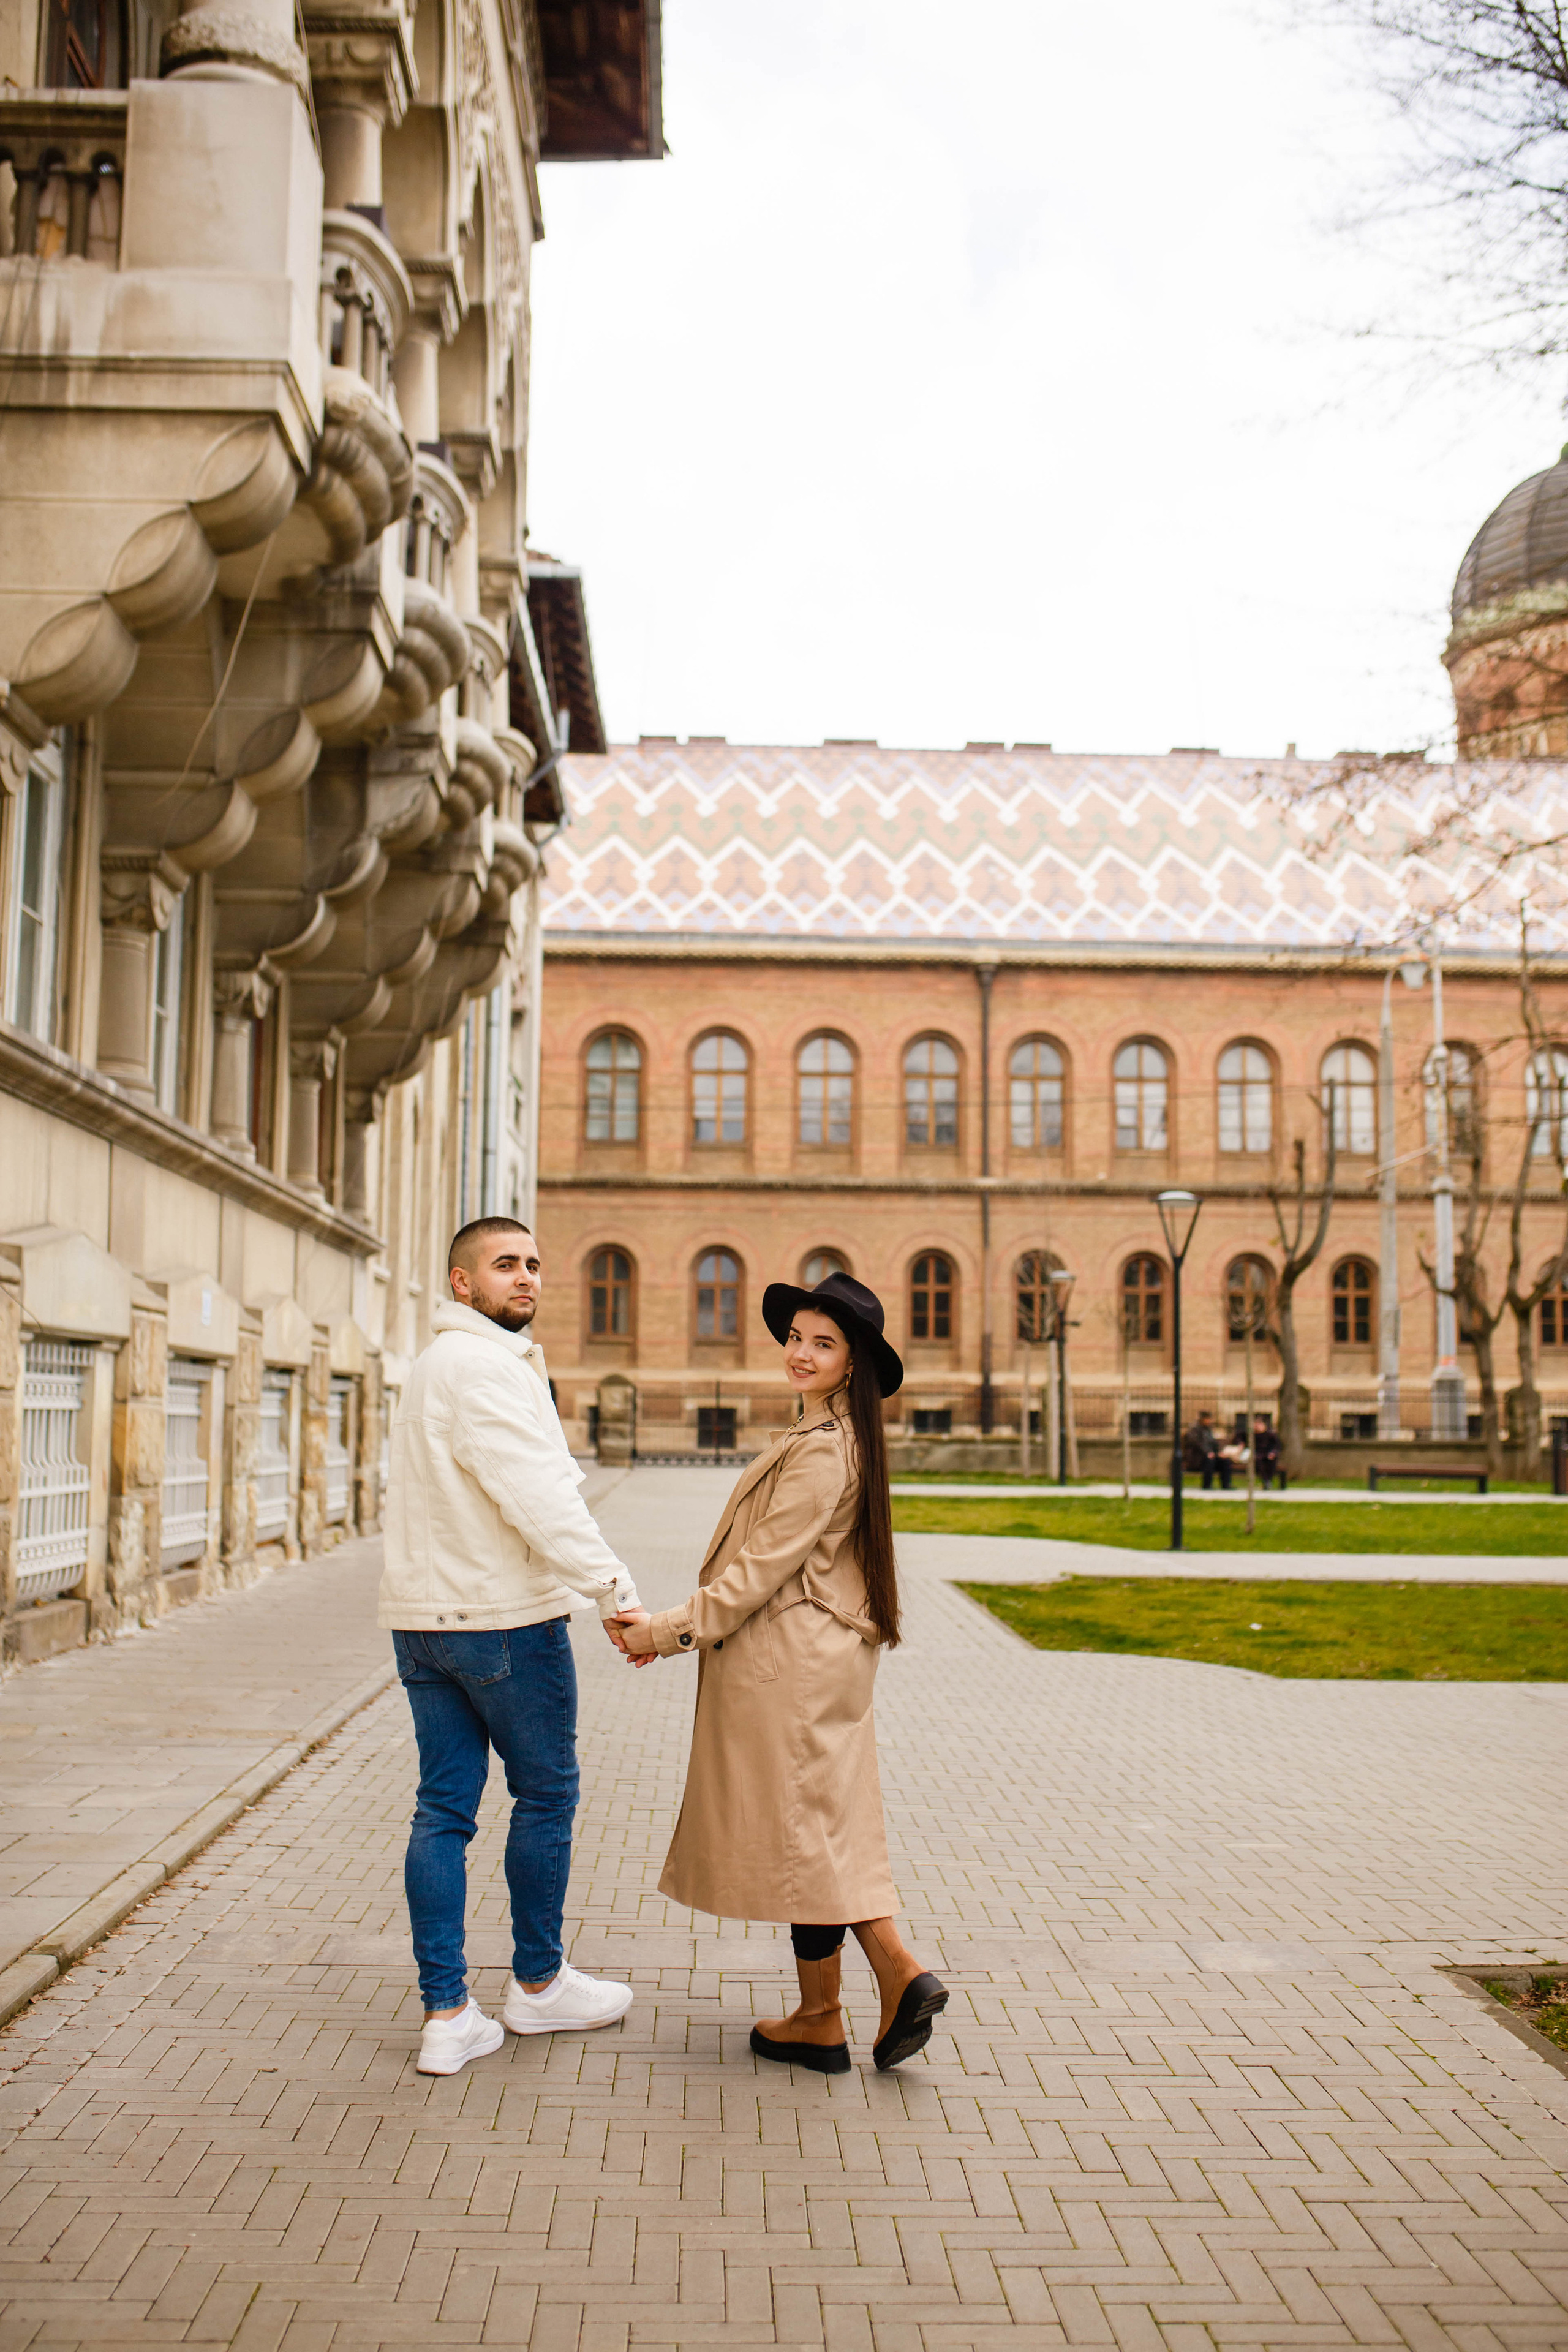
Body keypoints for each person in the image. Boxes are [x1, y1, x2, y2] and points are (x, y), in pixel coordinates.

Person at [608, 1271, 948, 2075]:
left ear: (852, 1364)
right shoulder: (826, 1439)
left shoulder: (824, 1453)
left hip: (793, 1668)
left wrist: (662, 1631)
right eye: (796, 1337)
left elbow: (759, 1571)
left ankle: (888, 1978)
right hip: (816, 1664)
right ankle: (825, 2014)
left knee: (813, 1843)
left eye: (822, 1344)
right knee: (819, 1836)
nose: (800, 1353)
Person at [380, 1217, 644, 2076]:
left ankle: (447, 2015)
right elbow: (539, 1497)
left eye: (533, 1263)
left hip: (424, 1623)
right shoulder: (484, 1368)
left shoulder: (435, 1367)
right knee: (546, 1797)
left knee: (443, 1809)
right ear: (462, 1284)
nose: (526, 1277)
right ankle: (537, 1986)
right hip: (501, 1622)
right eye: (505, 1265)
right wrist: (615, 1592)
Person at [1183, 1409, 1232, 1490]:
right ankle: (1207, 1485)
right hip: (1199, 1457)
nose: (1209, 1421)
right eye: (1207, 1419)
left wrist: (1219, 1453)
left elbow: (1213, 1443)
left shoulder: (1209, 1430)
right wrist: (1207, 1453)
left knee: (1225, 1461)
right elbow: (1196, 1444)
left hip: (1211, 1455)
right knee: (1209, 1461)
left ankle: (1226, 1485)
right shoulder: (1195, 1430)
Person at [1252, 1412, 1286, 1490]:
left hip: (1269, 1455)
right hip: (1258, 1455)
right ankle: (1266, 1480)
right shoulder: (1253, 1436)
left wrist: (1273, 1453)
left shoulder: (1271, 1435)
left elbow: (1277, 1446)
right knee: (1259, 1461)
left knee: (1271, 1461)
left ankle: (1267, 1480)